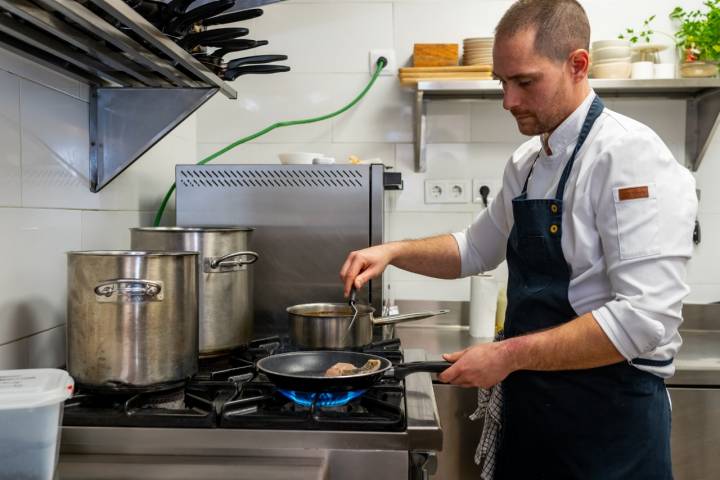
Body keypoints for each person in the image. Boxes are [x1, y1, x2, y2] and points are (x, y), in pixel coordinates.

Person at [339, 0, 697, 478]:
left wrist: (505, 355)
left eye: (525, 82)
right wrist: (394, 251)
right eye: (501, 82)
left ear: (578, 64)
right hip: (534, 412)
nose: (508, 100)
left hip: (606, 424)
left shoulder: (628, 156)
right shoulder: (528, 162)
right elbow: (474, 248)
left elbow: (643, 320)